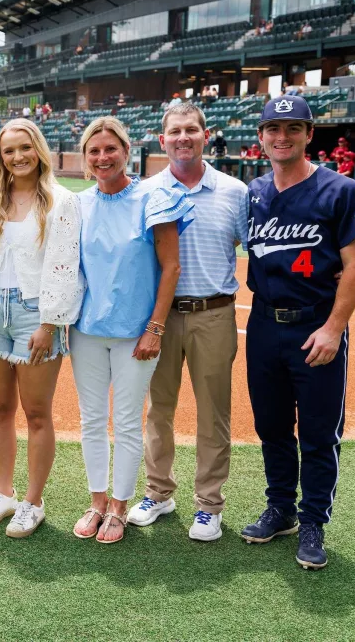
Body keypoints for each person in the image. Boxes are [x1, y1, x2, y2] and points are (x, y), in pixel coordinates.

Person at [241, 96, 355, 570]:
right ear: (260, 138)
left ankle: (313, 519)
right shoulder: (254, 191)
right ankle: (280, 509)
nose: (283, 137)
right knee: (272, 426)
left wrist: (334, 328)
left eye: (293, 128)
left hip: (315, 327)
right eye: (273, 129)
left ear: (308, 133)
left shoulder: (341, 190)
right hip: (262, 326)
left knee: (318, 433)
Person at [126, 103, 248, 541]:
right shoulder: (144, 191)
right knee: (158, 409)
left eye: (191, 130)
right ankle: (159, 493)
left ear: (205, 135)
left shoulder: (235, 192)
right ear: (162, 141)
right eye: (174, 131)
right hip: (160, 316)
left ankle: (209, 505)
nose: (183, 137)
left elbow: (256, 248)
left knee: (213, 412)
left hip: (213, 313)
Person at [70, 116, 194, 544]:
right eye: (94, 151)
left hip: (137, 332)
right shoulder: (79, 203)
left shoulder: (152, 196)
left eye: (110, 149)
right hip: (85, 329)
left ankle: (119, 508)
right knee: (91, 420)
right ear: (85, 158)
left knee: (125, 421)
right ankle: (97, 502)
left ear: (126, 150)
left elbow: (171, 266)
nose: (103, 157)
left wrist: (155, 328)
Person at [0, 118, 84, 539]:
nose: (17, 157)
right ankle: (4, 494)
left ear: (38, 150)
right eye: (8, 151)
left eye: (24, 148)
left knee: (36, 413)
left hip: (37, 313)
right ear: (0, 158)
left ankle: (33, 502)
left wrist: (50, 324)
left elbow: (64, 265)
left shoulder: (61, 201)